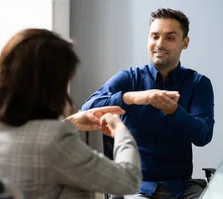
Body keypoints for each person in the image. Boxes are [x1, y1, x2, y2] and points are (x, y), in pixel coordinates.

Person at [0, 28, 142, 199]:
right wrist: (121, 131)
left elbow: (29, 141)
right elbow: (128, 180)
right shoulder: (55, 140)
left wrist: (70, 122)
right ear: (50, 86)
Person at [81, 8, 215, 199]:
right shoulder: (128, 78)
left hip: (180, 187)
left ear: (184, 43)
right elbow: (87, 108)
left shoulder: (198, 83)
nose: (160, 44)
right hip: (134, 186)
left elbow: (204, 136)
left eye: (170, 38)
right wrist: (132, 97)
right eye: (155, 36)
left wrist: (175, 111)